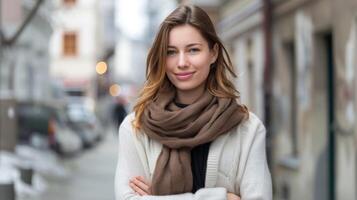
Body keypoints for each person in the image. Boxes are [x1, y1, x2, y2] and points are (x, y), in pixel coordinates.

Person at [115, 5, 272, 200]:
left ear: (213, 53)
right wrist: (220, 198)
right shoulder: (135, 128)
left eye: (193, 50)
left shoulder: (247, 129)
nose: (181, 62)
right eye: (171, 52)